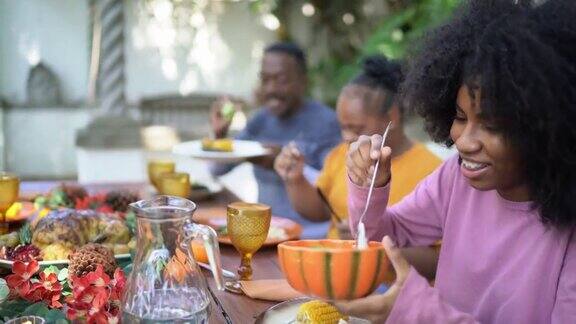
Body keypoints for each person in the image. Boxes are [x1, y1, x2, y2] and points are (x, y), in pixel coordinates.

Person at [338, 0, 576, 322]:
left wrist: (419, 310)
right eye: (461, 117)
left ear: (548, 129)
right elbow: (379, 236)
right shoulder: (456, 176)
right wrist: (371, 185)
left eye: (492, 126)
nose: (463, 141)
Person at [274, 55, 442, 279]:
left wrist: (368, 248)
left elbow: (437, 262)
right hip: (331, 276)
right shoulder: (342, 154)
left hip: (391, 293)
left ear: (391, 117)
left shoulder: (433, 172)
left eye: (356, 128)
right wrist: (295, 180)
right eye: (343, 127)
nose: (346, 137)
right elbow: (319, 210)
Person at [210, 42, 341, 239]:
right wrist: (220, 137)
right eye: (265, 80)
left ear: (303, 81)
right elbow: (218, 170)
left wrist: (283, 164)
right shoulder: (259, 120)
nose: (271, 89)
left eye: (280, 80)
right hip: (266, 236)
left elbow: (340, 187)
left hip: (311, 239)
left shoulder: (327, 123)